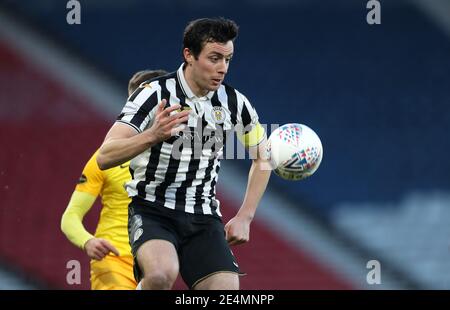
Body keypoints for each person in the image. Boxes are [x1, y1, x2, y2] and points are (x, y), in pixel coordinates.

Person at [97, 17, 271, 290]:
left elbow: (263, 156)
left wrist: (245, 216)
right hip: (153, 209)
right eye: (214, 58)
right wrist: (152, 135)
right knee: (160, 273)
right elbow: (105, 155)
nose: (222, 68)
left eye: (228, 59)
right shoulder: (153, 94)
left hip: (203, 216)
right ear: (189, 55)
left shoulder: (235, 103)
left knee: (227, 291)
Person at [61, 69, 168, 290]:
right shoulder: (104, 159)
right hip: (114, 259)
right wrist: (87, 240)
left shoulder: (181, 160)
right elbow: (70, 216)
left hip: (158, 263)